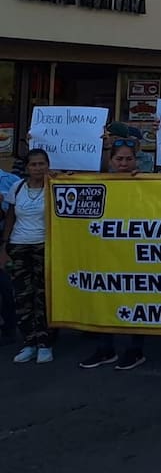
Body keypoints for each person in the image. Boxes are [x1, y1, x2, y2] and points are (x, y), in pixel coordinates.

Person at [79, 139, 147, 371]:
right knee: (105, 297)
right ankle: (105, 348)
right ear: (110, 161)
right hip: (106, 251)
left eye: (129, 159)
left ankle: (135, 349)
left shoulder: (146, 183)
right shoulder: (98, 182)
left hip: (136, 252)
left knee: (136, 299)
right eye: (119, 159)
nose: (124, 163)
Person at [3, 148, 54, 364]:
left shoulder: (53, 187)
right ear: (27, 168)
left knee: (43, 297)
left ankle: (45, 344)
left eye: (42, 164)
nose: (38, 168)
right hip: (19, 246)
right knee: (22, 297)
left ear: (47, 165)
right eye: (33, 164)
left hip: (44, 247)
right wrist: (4, 246)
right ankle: (29, 343)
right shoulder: (18, 187)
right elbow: (10, 217)